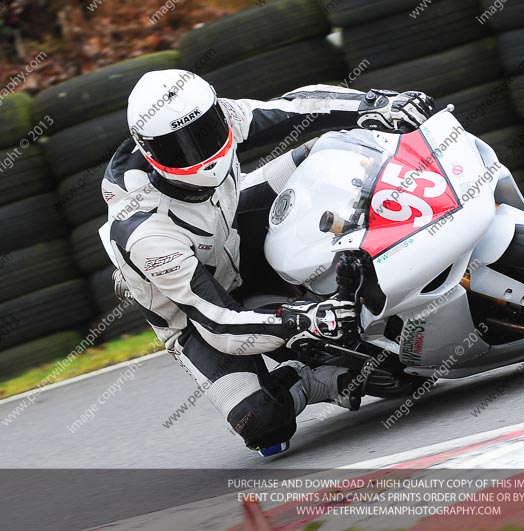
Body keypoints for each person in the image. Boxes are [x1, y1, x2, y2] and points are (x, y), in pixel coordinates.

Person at [101, 69, 434, 455]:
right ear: (149, 152)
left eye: (206, 132)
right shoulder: (142, 229)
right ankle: (311, 380)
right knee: (261, 423)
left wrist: (376, 103)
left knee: (330, 151)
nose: (200, 154)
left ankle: (406, 226)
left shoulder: (220, 116)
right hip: (199, 318)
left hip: (234, 230)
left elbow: (297, 106)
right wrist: (303, 320)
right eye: (180, 149)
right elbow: (220, 324)